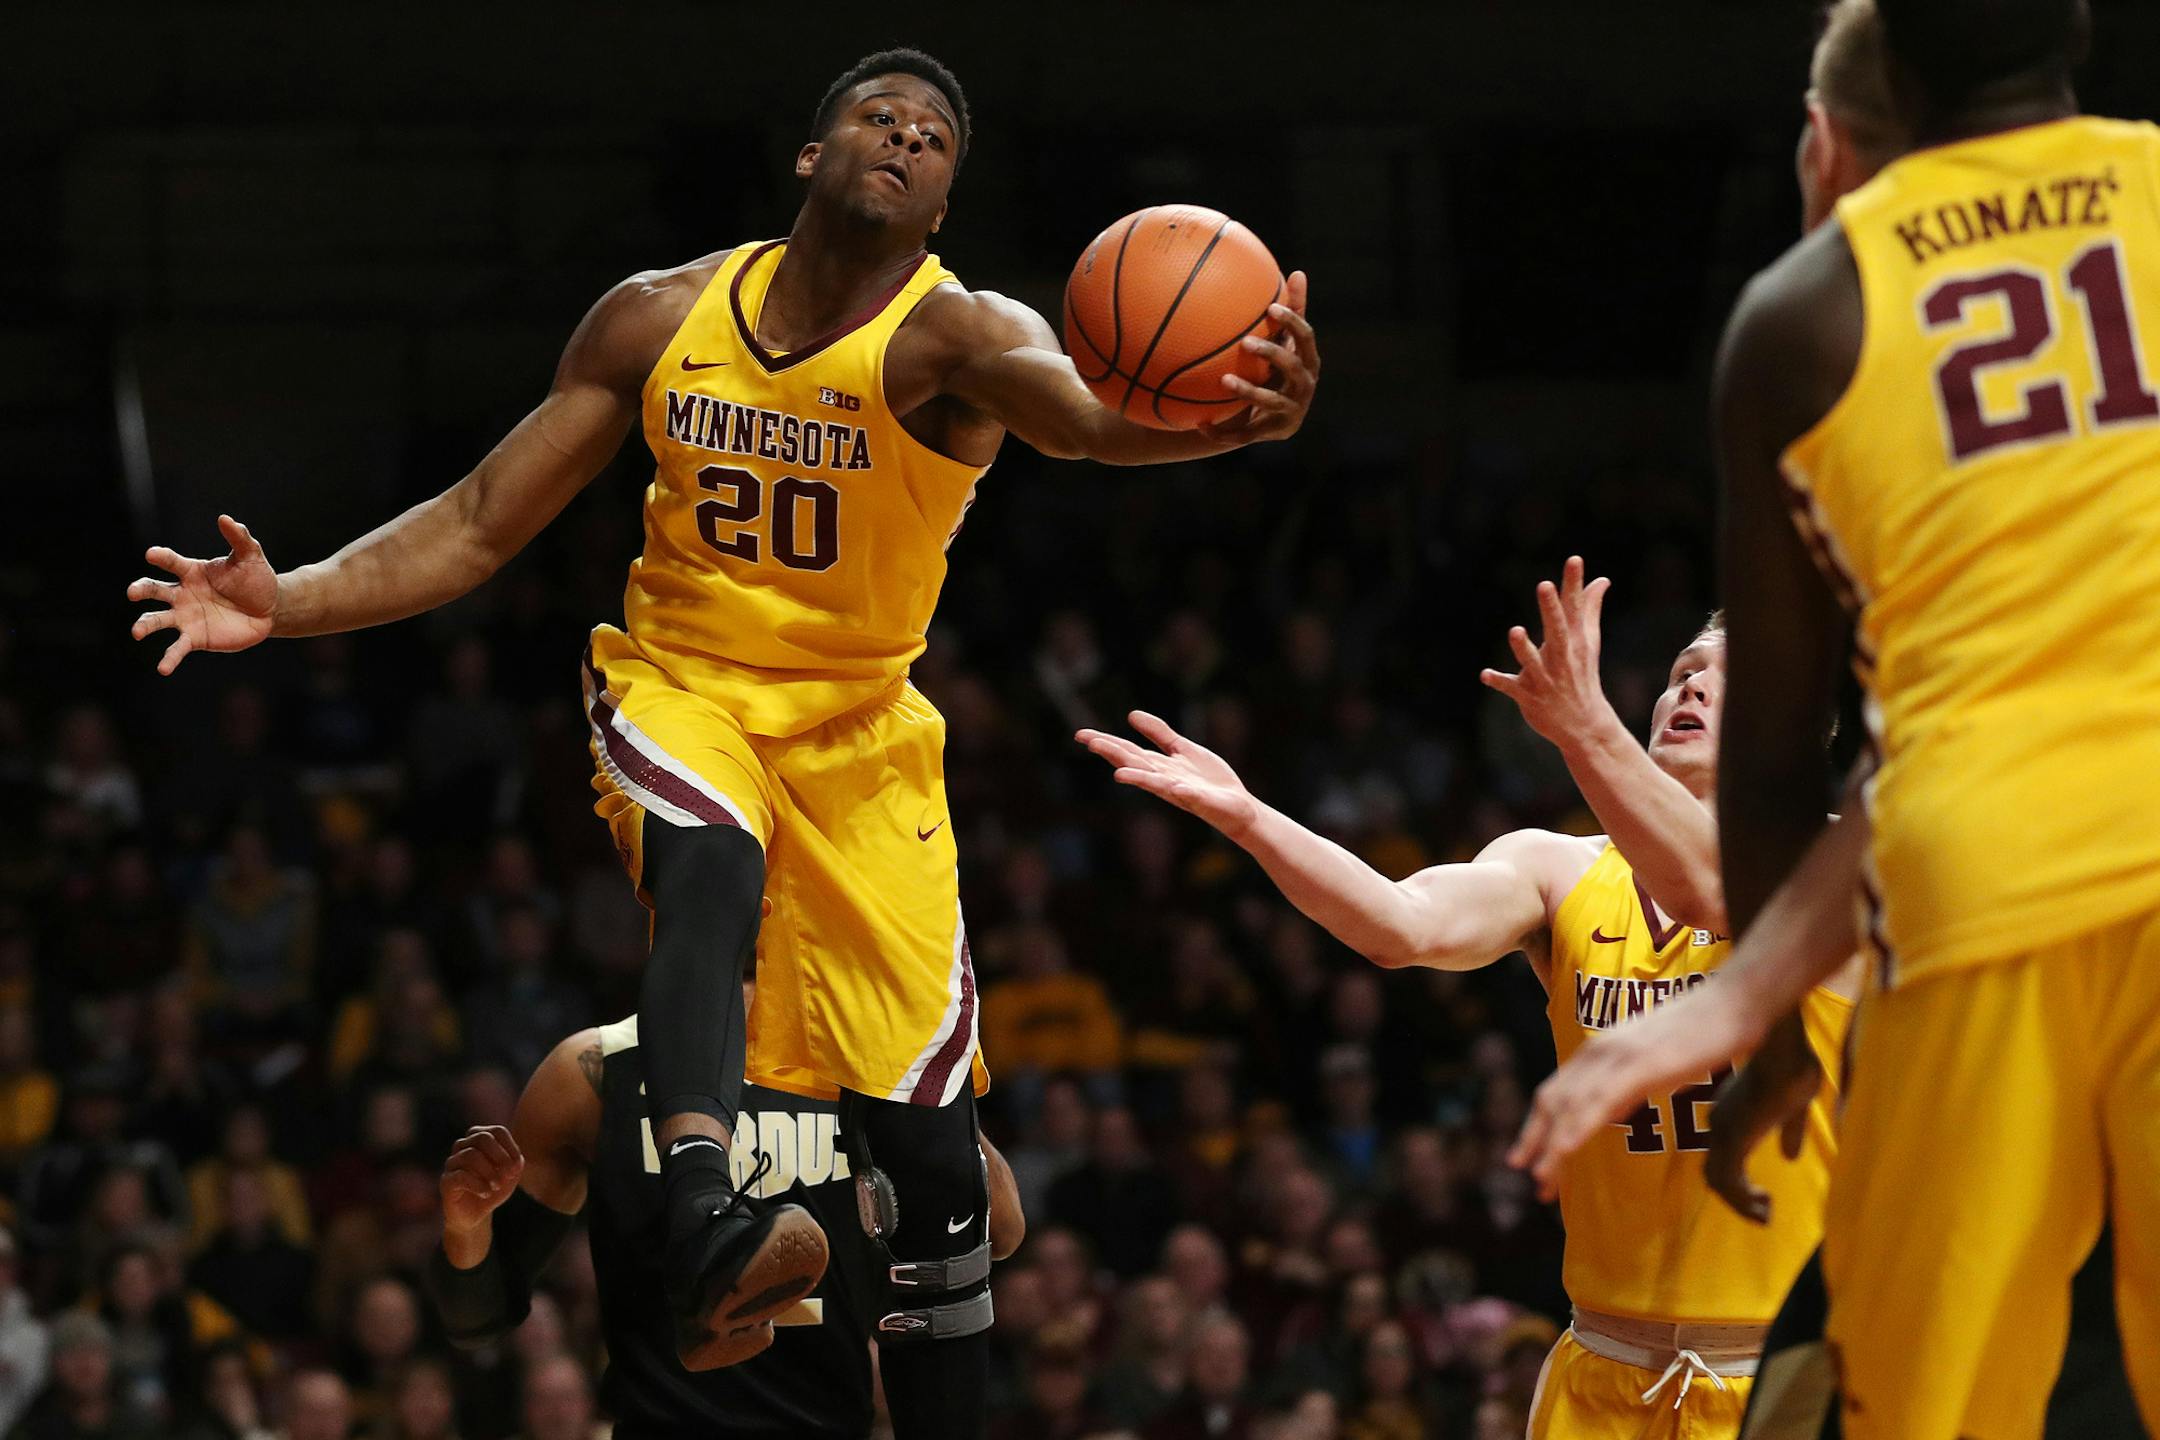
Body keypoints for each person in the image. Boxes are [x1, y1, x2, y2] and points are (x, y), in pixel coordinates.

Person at [125, 48, 1318, 1432]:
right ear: (811, 158)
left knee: (936, 1164)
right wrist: (289, 604)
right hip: (686, 681)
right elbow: (474, 523)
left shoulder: (963, 339)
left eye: (936, 139)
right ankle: (707, 1221)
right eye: (879, 117)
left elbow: (1101, 426)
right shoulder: (657, 317)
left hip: (863, 734)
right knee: (708, 870)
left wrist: (1238, 424)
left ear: (942, 208)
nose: (907, 138)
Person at [1528, 0, 2160, 1433]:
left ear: (1826, 147)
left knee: (1923, 1407)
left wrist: (1762, 1028)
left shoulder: (1809, 308)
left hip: (1971, 889)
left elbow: (1772, 756)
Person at [1078, 561, 1855, 1439]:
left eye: (1728, 680)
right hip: (1604, 1369)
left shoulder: (1841, 869)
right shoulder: (1557, 867)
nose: (1693, 688)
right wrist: (1251, 819)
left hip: (1784, 1374)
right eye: (1682, 673)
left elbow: (1710, 890)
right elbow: (1400, 926)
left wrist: (1585, 733)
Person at [425, 997, 1026, 1440]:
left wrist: (930, 1085)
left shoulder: (865, 1058)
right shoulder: (597, 1069)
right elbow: (478, 1320)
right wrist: (466, 1225)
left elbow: (1000, 1231)